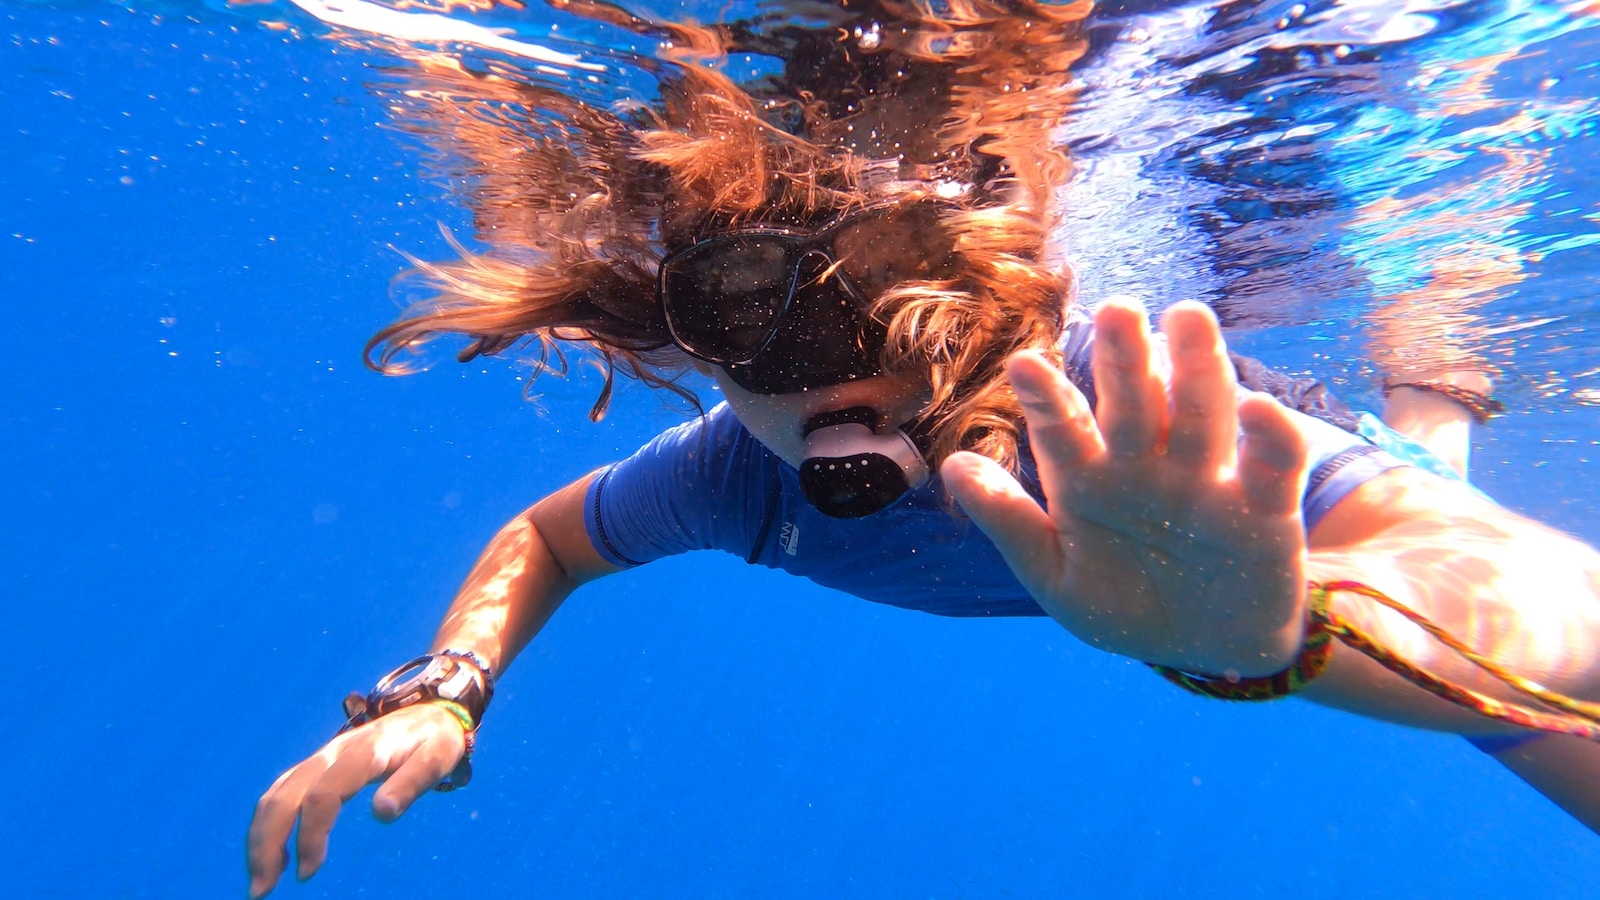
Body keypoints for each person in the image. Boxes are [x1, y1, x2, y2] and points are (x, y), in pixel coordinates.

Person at [247, 1, 1600, 895]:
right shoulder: (731, 473)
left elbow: (1548, 609)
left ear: (984, 291)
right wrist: (448, 683)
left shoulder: (1101, 418)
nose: (848, 382)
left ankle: (1435, 372)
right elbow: (548, 537)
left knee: (1483, 636)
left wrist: (1287, 633)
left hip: (1300, 552)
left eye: (906, 313)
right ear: (693, 343)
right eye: (757, 331)